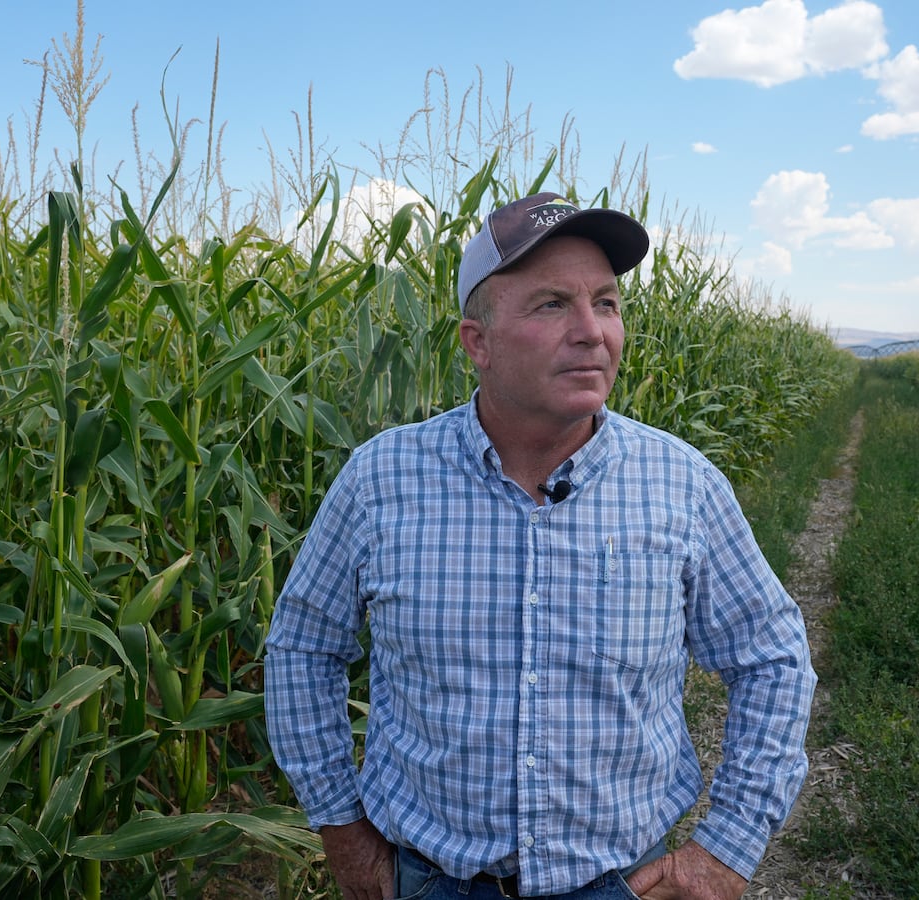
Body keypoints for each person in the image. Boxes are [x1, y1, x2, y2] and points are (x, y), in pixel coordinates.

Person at [264, 192, 815, 900]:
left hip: (622, 883)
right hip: (431, 883)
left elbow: (772, 657)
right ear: (477, 342)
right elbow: (302, 649)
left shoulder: (681, 485)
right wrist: (343, 834)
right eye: (552, 304)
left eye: (607, 303)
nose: (593, 332)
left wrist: (726, 849)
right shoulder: (381, 480)